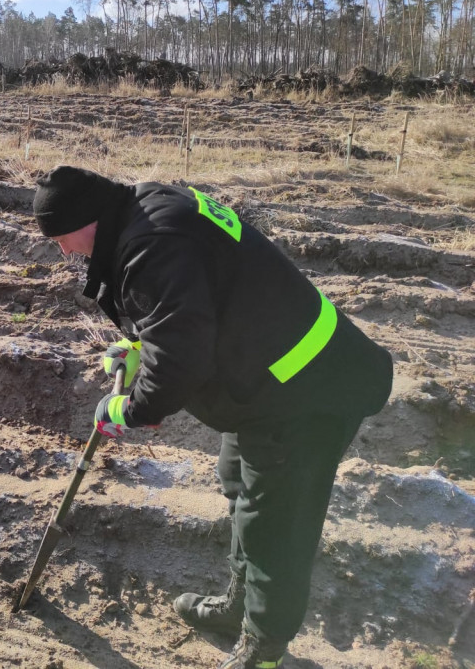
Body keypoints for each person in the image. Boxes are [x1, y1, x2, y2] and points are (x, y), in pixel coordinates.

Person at [32, 165, 393, 669]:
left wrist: (130, 410)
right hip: (266, 377)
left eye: (61, 238)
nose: (64, 252)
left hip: (308, 389)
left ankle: (263, 649)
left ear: (87, 219)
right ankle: (239, 606)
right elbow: (187, 303)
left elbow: (181, 359)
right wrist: (136, 344)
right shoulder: (144, 205)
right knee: (237, 486)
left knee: (274, 526)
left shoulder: (152, 242)